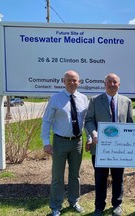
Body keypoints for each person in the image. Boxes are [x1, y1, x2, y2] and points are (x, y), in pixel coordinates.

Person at [84, 73, 133, 216]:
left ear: (119, 84)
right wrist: (93, 134)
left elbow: (130, 123)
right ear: (104, 84)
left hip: (119, 149)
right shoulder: (94, 101)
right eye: (109, 82)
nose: (112, 84)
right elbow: (89, 120)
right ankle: (99, 207)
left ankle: (117, 205)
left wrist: (130, 142)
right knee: (100, 179)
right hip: (100, 148)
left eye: (115, 82)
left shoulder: (127, 101)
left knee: (118, 178)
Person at [41, 70, 89, 216]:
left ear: (79, 82)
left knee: (75, 175)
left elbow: (86, 121)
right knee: (57, 175)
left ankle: (74, 201)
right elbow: (47, 120)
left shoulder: (83, 98)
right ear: (64, 81)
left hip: (77, 142)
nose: (72, 82)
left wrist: (90, 138)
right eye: (69, 80)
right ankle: (56, 206)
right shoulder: (55, 98)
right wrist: (46, 142)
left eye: (75, 80)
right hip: (60, 142)